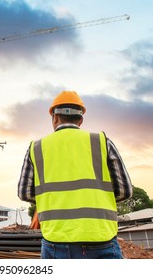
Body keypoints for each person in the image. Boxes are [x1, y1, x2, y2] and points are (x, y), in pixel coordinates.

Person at [17, 90, 133, 259]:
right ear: (81, 120)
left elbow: (24, 193)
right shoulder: (101, 141)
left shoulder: (36, 147)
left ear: (55, 117)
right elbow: (125, 190)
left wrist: (55, 200)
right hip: (101, 239)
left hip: (55, 242)